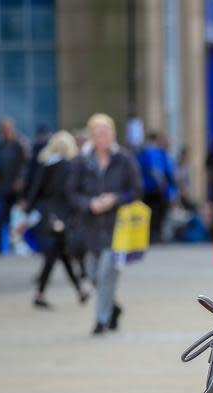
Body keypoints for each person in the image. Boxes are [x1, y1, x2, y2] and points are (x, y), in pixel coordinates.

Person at [67, 113, 142, 335]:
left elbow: (136, 191)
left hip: (118, 229)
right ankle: (113, 308)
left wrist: (115, 200)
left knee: (106, 272)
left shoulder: (124, 159)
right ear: (91, 136)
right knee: (92, 274)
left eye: (107, 132)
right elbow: (71, 192)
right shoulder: (81, 161)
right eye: (98, 133)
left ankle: (100, 321)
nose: (103, 137)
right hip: (89, 228)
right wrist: (89, 204)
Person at [26, 130, 89, 309]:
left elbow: (35, 190)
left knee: (59, 253)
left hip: (48, 215)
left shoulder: (46, 164)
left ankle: (76, 291)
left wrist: (28, 210)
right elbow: (72, 193)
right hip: (63, 215)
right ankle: (46, 293)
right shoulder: (70, 166)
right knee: (56, 254)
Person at [0, 117, 29, 253]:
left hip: (18, 189)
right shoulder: (0, 145)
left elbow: (27, 164)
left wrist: (21, 179)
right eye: (3, 129)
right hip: (3, 187)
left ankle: (20, 245)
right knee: (1, 217)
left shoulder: (20, 143)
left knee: (20, 218)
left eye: (8, 128)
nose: (5, 131)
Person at [136, 131, 177, 242]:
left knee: (149, 212)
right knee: (159, 212)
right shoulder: (158, 153)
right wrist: (170, 186)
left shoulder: (142, 152)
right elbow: (164, 171)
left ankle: (148, 235)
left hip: (145, 188)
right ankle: (156, 234)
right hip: (157, 189)